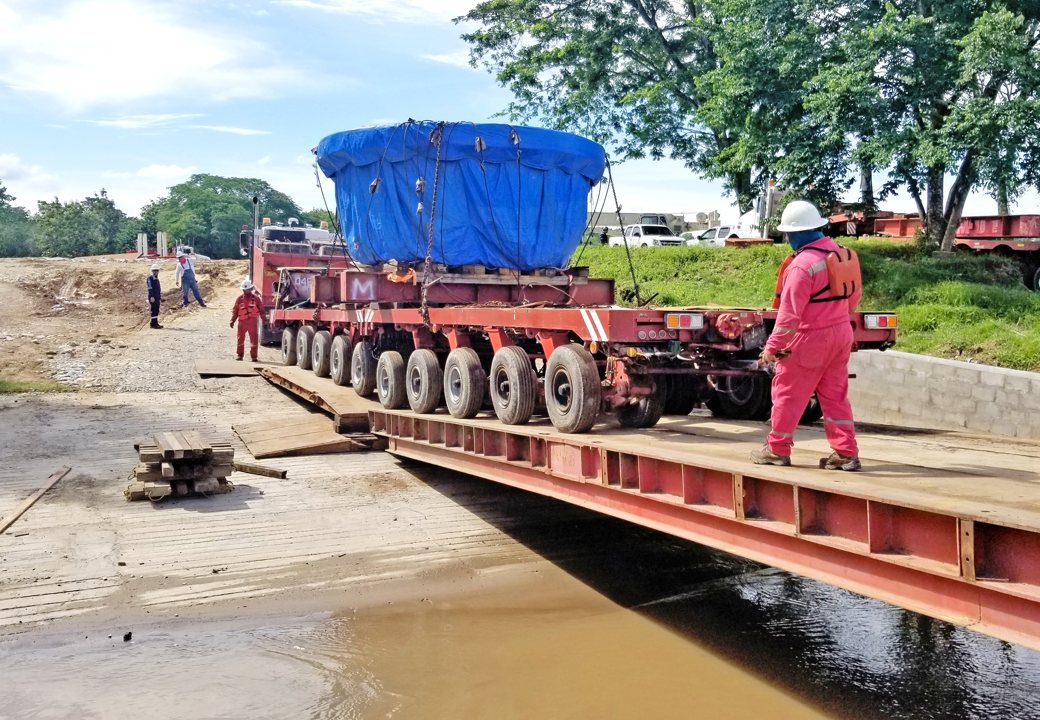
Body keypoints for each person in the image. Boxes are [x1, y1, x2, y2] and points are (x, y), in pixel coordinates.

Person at [751, 200, 863, 471]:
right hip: (841, 334)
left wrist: (772, 348)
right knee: (835, 396)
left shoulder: (802, 266)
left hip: (810, 339)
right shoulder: (841, 254)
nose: (787, 239)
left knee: (788, 394)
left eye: (788, 234)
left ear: (796, 233)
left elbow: (789, 316)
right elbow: (854, 298)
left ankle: (777, 449)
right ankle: (846, 453)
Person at [230, 277, 265, 361]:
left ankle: (254, 356)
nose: (246, 291)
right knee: (240, 339)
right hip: (242, 322)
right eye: (245, 289)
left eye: (248, 289)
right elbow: (235, 310)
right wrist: (232, 320)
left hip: (252, 322)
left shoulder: (256, 299)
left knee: (254, 339)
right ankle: (240, 355)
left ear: (251, 289)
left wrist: (264, 320)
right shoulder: (239, 299)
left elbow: (261, 310)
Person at [146, 263, 163, 329]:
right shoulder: (150, 278)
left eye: (156, 270)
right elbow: (150, 287)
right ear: (152, 271)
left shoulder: (156, 278)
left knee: (156, 310)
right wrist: (152, 296)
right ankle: (153, 324)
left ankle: (155, 323)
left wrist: (160, 297)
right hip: (153, 297)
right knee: (154, 310)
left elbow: (157, 289)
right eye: (154, 270)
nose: (156, 272)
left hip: (157, 296)